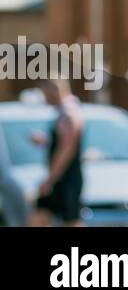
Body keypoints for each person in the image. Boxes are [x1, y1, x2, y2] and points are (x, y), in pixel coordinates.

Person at [29, 78, 84, 227]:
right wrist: (46, 141)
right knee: (38, 217)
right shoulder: (63, 112)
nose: (44, 98)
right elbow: (63, 143)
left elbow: (67, 149)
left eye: (45, 93)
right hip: (61, 178)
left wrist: (50, 179)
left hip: (66, 179)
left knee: (71, 222)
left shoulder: (68, 113)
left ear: (54, 90)